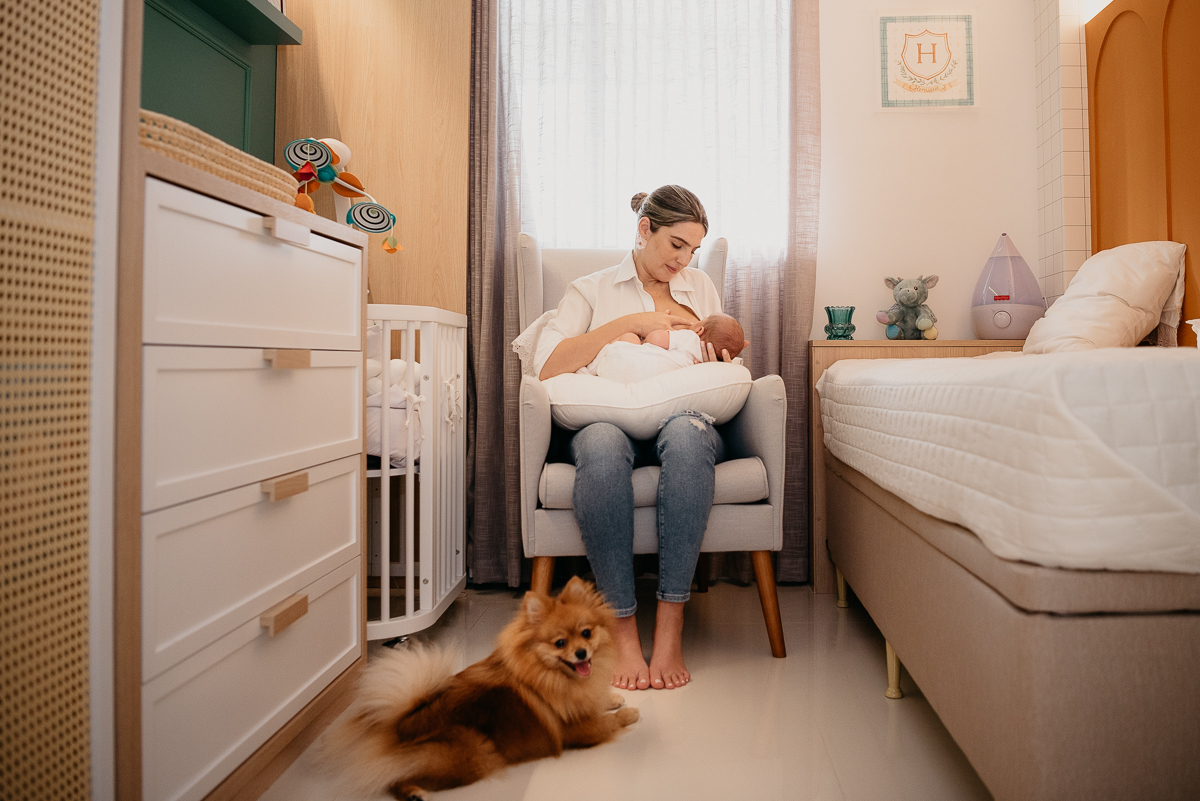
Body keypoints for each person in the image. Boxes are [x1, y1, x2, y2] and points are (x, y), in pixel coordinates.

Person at [534, 185, 748, 691]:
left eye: (693, 250)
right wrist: (629, 323)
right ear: (644, 228)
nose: (685, 260)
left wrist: (717, 362)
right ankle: (624, 630)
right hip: (605, 417)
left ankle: (670, 626)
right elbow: (546, 366)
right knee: (603, 448)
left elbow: (721, 359)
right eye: (676, 245)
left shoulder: (700, 291)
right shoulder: (590, 290)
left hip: (682, 416)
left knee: (692, 436)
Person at [585, 313, 746, 385]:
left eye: (701, 319)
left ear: (699, 331)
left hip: (624, 366)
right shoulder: (700, 366)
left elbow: (656, 339)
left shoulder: (689, 337)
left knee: (630, 337)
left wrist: (649, 335)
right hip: (649, 386)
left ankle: (596, 361)